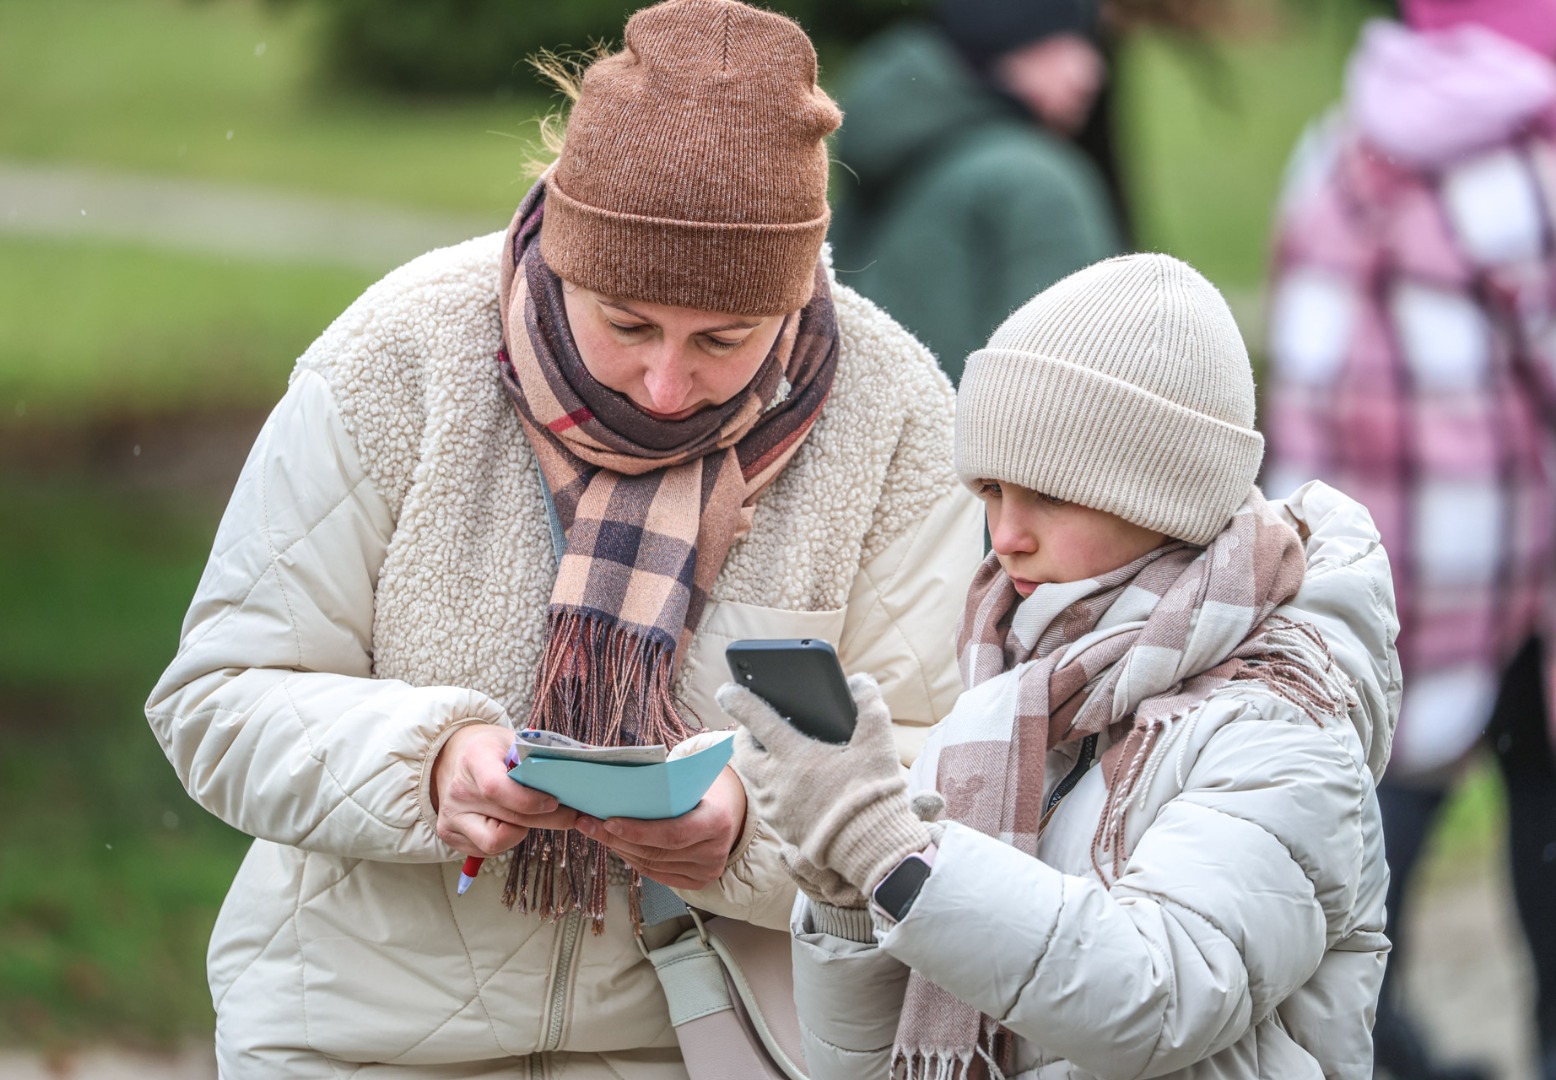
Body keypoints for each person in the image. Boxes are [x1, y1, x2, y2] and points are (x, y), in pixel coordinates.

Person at [144, 1, 984, 1075]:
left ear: (792, 301)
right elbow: (219, 695)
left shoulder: (895, 414)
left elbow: (953, 774)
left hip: (703, 1039)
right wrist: (429, 763)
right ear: (565, 258)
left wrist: (748, 828)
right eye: (627, 323)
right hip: (358, 1037)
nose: (668, 383)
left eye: (724, 340)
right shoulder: (398, 357)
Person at [723, 253, 1398, 1079]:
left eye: (1049, 493)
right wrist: (846, 901)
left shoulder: (1277, 720)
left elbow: (1161, 998)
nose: (1006, 535)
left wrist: (898, 861)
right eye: (992, 491)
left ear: (1165, 496)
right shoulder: (1002, 698)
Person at [1263, 2, 1556, 1076]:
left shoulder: (1341, 140)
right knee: (1540, 816)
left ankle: (1381, 1057)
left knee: (1346, 848)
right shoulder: (1524, 170)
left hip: (1340, 550)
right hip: (1499, 560)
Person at [827, 0, 1121, 384]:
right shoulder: (1038, 180)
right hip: (981, 439)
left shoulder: (898, 148)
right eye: (1068, 44)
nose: (1092, 72)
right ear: (1014, 46)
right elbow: (1077, 376)